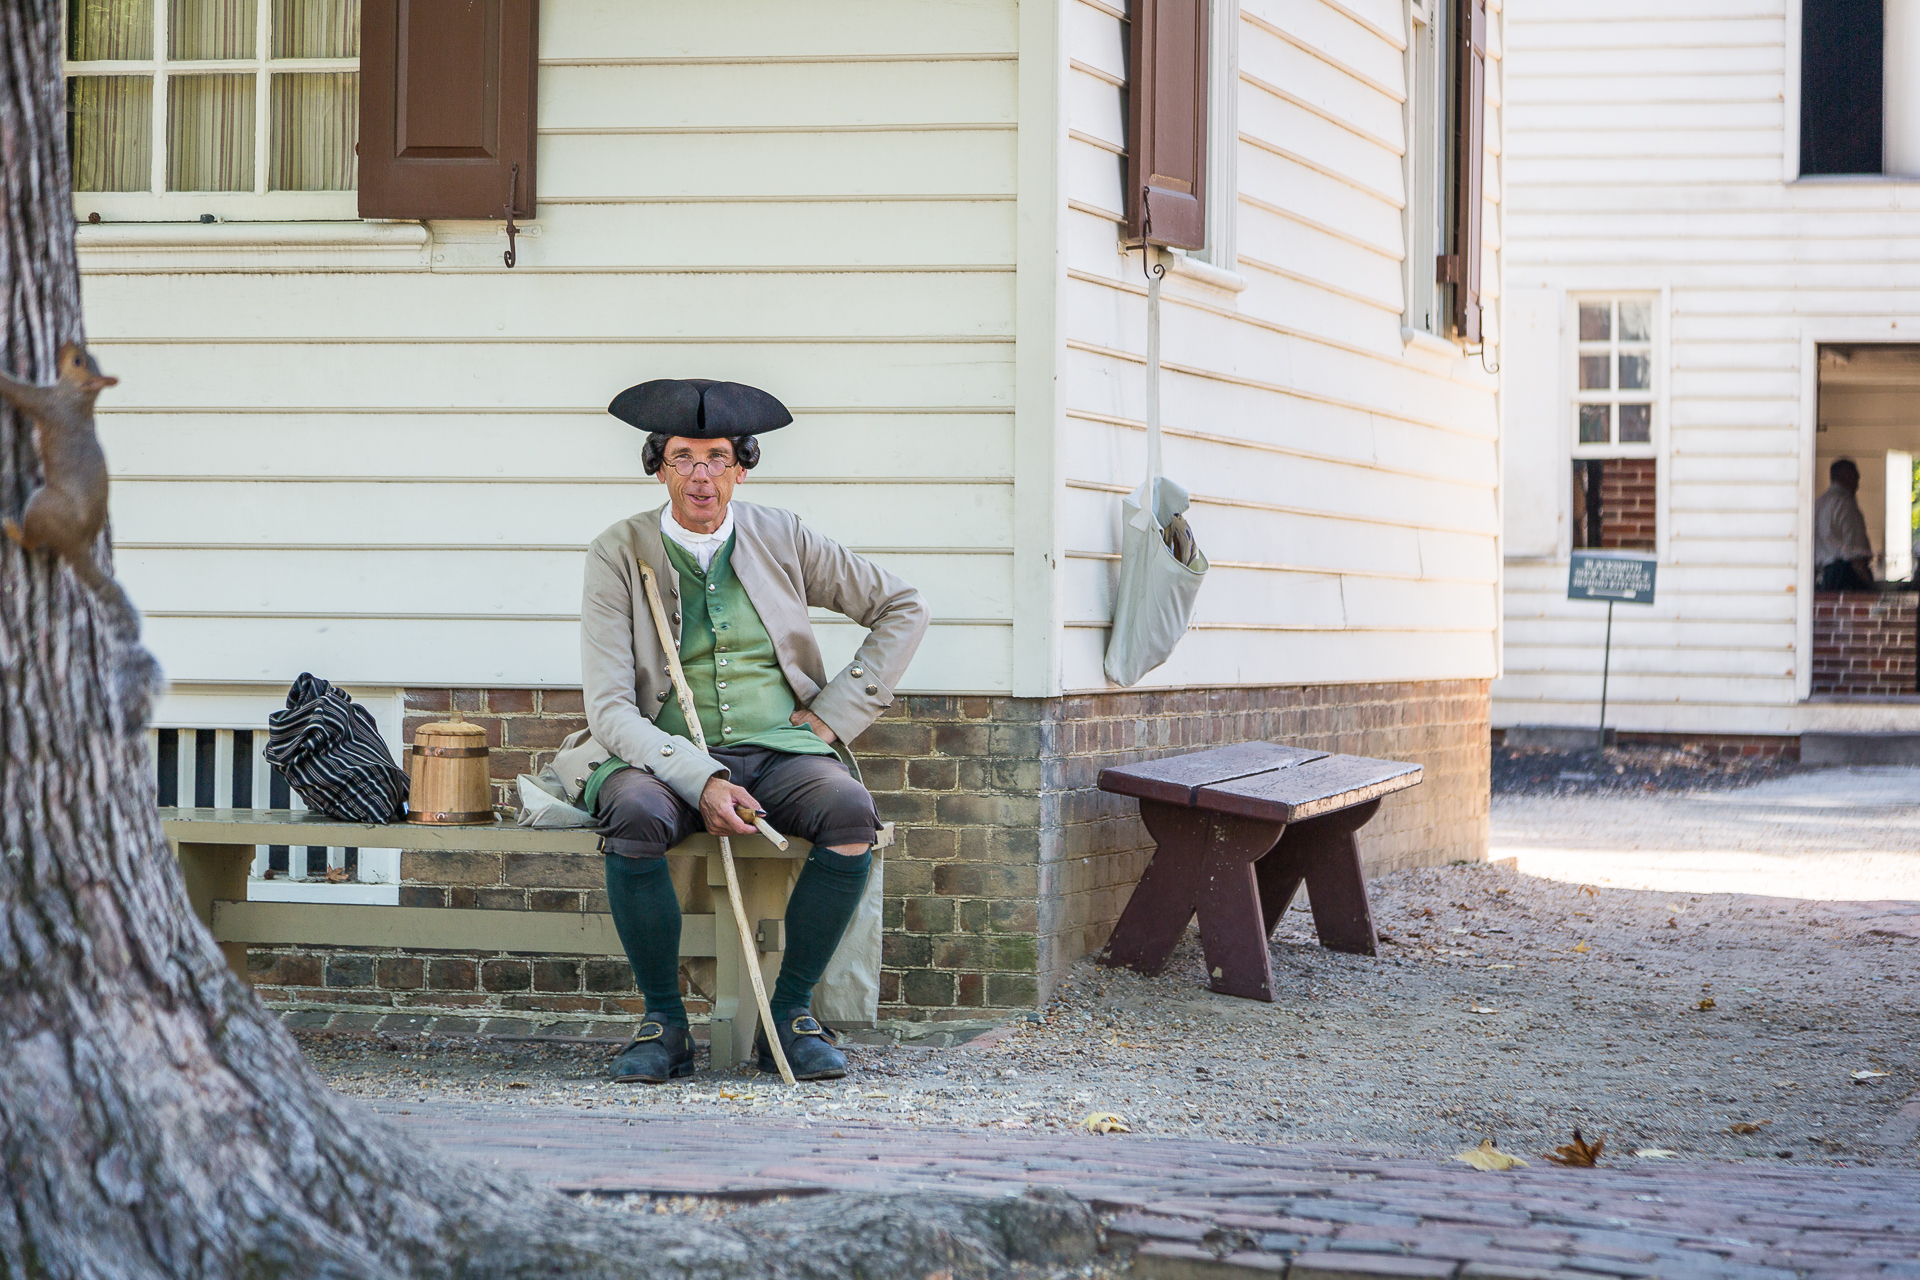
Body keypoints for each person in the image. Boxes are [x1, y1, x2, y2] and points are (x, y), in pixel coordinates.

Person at [575, 378, 927, 1084]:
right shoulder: (619, 551)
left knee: (850, 811)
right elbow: (610, 709)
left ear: (742, 466)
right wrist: (697, 776)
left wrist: (835, 712)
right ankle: (663, 1022)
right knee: (634, 812)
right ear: (659, 466)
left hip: (780, 748)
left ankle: (788, 1017)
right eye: (683, 457)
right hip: (661, 757)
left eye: (718, 458)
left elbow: (902, 606)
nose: (701, 475)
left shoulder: (783, 536)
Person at [1814, 458, 1875, 590]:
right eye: (1856, 477)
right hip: (1842, 576)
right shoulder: (1845, 504)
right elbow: (1856, 552)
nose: (1857, 484)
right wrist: (1868, 585)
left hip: (1819, 578)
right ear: (1848, 477)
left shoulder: (1818, 503)